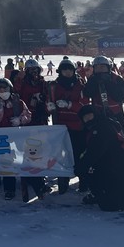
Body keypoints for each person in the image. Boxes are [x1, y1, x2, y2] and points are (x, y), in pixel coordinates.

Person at [75, 105, 124, 211]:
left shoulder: (102, 128)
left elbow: (94, 152)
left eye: (90, 116)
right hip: (108, 165)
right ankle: (98, 194)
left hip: (119, 166)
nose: (88, 120)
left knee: (110, 206)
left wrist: (80, 167)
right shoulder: (95, 127)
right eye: (86, 118)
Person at [46, 59, 88, 194]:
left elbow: (85, 105)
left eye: (70, 69)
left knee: (79, 154)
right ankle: (63, 181)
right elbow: (49, 101)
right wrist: (49, 107)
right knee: (62, 156)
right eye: (65, 70)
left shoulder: (80, 85)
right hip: (61, 127)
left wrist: (70, 105)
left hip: (77, 126)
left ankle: (83, 180)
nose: (68, 72)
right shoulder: (54, 86)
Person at [0, 78, 31, 200]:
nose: (3, 92)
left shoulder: (18, 102)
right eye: (0, 90)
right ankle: (9, 189)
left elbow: (28, 116)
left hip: (18, 136)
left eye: (5, 89)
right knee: (6, 162)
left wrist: (20, 120)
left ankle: (33, 183)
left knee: (24, 160)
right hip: (3, 137)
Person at [82, 55, 124, 141]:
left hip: (116, 114)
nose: (100, 70)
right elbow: (87, 93)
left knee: (119, 139)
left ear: (108, 68)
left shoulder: (117, 79)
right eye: (97, 67)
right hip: (98, 114)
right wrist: (94, 83)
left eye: (102, 67)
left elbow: (120, 96)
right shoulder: (93, 79)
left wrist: (108, 83)